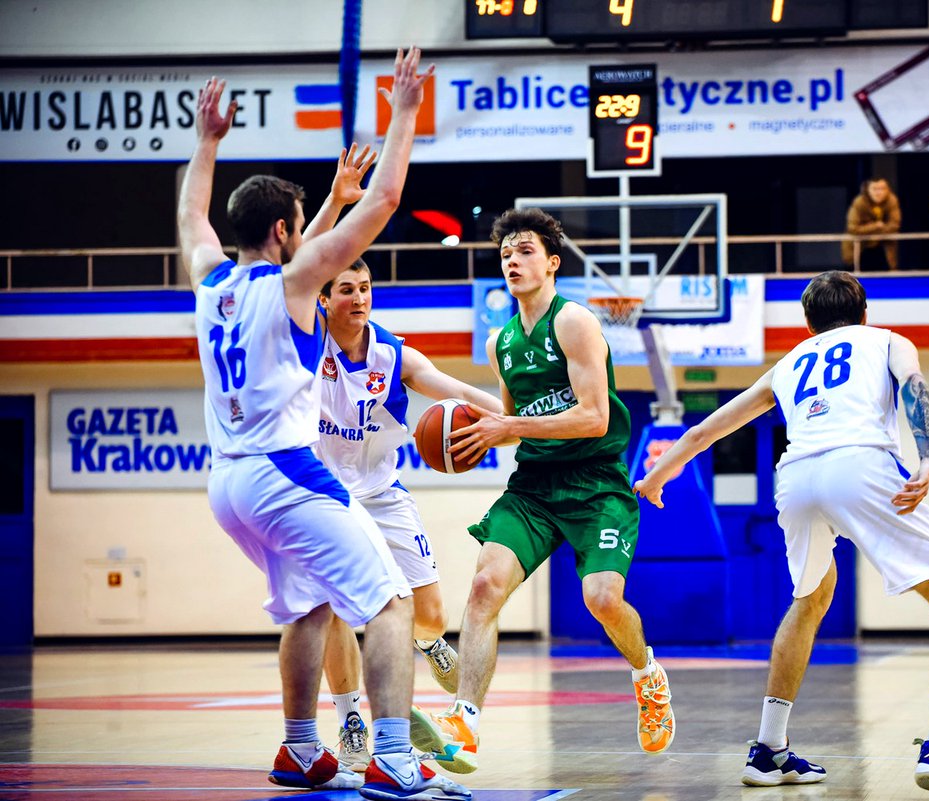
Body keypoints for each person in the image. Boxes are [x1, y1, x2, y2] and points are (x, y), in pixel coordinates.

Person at [179, 48, 470, 800]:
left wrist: (206, 144)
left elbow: (190, 214)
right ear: (284, 231)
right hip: (283, 469)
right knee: (389, 602)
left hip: (227, 481)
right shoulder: (294, 282)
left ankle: (302, 747)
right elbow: (385, 201)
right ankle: (394, 755)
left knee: (308, 604)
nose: (306, 235)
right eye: (302, 225)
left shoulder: (209, 280)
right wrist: (404, 111)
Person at [635, 270, 929, 794]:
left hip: (795, 479)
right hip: (859, 464)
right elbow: (914, 386)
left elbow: (705, 430)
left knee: (810, 599)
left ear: (808, 324)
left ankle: (768, 750)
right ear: (864, 313)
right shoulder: (887, 340)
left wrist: (657, 474)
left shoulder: (789, 363)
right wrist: (928, 457)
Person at [406, 207, 675, 774]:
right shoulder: (500, 341)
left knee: (601, 599)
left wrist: (510, 427)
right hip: (533, 486)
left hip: (595, 482)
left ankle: (647, 673)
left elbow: (596, 417)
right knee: (484, 586)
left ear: (552, 264)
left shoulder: (573, 321)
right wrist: (477, 438)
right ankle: (465, 722)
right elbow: (508, 420)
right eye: (505, 253)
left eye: (525, 251)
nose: (512, 260)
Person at [313, 257, 504, 772]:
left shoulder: (392, 354)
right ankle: (353, 719)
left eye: (366, 287)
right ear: (323, 299)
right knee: (333, 612)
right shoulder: (307, 347)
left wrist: (515, 421)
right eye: (346, 289)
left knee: (430, 614)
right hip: (324, 497)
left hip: (381, 491)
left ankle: (427, 642)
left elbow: (458, 392)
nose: (359, 297)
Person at [842, 177, 902, 271]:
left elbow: (894, 225)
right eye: (875, 189)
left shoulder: (892, 200)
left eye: (882, 189)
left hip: (884, 245)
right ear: (867, 190)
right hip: (860, 246)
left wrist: (878, 234)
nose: (879, 192)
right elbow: (852, 227)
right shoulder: (859, 202)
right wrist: (875, 226)